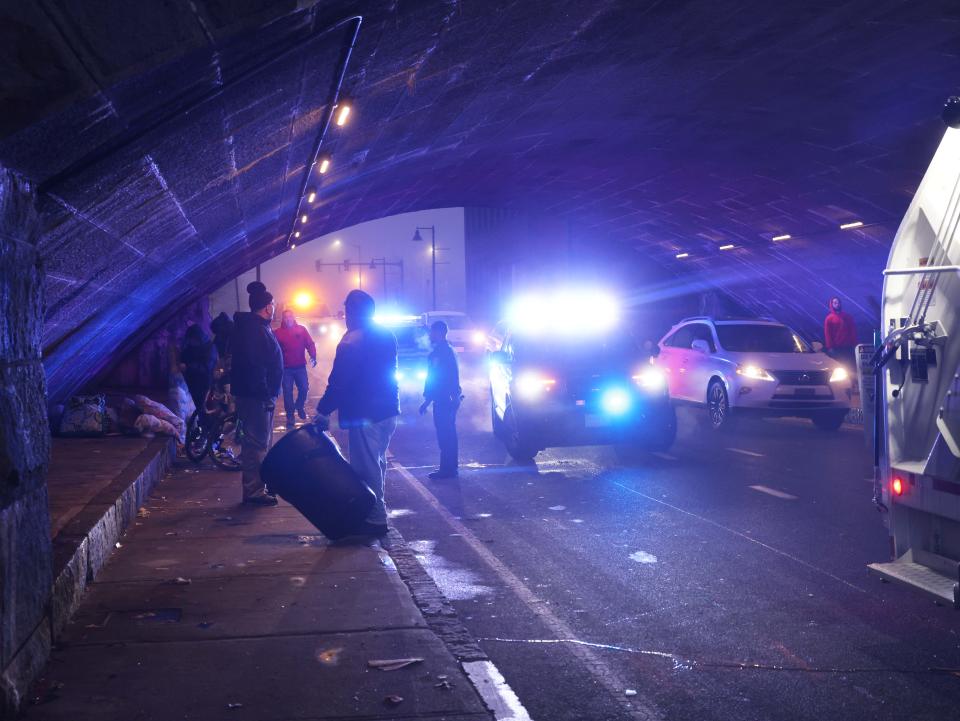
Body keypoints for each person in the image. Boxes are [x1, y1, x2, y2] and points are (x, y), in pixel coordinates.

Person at [315, 290, 399, 537]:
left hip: (365, 413)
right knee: (378, 462)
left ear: (352, 312)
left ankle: (375, 519)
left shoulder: (352, 340)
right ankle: (376, 512)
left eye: (347, 311)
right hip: (388, 410)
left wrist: (323, 411)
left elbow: (340, 381)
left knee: (366, 468)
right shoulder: (386, 334)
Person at [231, 281, 283, 506]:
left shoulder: (256, 327)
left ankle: (257, 488)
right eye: (273, 304)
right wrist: (265, 394)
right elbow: (257, 366)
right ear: (267, 307)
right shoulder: (255, 330)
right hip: (256, 398)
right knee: (256, 444)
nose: (275, 307)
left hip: (255, 396)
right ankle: (253, 492)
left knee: (258, 443)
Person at [419, 320, 462, 480]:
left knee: (445, 435)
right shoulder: (446, 350)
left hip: (444, 399)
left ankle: (448, 469)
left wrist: (428, 400)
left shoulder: (441, 353)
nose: (430, 334)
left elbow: (437, 379)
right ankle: (450, 467)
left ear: (439, 333)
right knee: (448, 434)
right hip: (447, 398)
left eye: (432, 331)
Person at [274, 309, 318, 427]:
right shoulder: (277, 333)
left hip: (300, 367)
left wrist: (313, 355)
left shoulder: (301, 330)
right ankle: (290, 417)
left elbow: (310, 343)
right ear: (283, 319)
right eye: (286, 317)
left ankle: (299, 405)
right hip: (286, 369)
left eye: (290, 316)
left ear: (293, 317)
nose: (288, 319)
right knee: (287, 393)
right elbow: (274, 351)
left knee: (304, 388)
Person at [179, 324, 218, 417]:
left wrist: (188, 367)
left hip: (203, 384)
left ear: (197, 338)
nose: (191, 342)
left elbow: (206, 367)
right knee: (192, 409)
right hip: (191, 383)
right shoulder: (190, 347)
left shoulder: (210, 348)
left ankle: (203, 428)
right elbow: (185, 356)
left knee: (201, 409)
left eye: (192, 340)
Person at [824, 296, 858, 374]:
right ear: (831, 304)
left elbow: (852, 331)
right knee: (839, 367)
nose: (837, 304)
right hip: (836, 349)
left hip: (848, 347)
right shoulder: (829, 319)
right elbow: (828, 334)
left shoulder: (848, 317)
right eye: (835, 303)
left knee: (849, 367)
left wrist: (854, 344)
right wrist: (830, 347)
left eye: (838, 302)